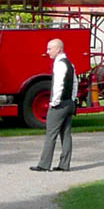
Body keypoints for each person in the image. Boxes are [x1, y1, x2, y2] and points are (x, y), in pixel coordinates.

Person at [31, 38, 77, 172]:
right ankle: (64, 164)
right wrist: (72, 99)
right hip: (69, 102)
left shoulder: (60, 64)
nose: (47, 52)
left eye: (50, 49)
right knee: (66, 134)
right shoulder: (70, 64)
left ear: (58, 49)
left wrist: (54, 102)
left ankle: (44, 164)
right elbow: (75, 83)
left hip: (60, 104)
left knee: (51, 134)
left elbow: (59, 84)